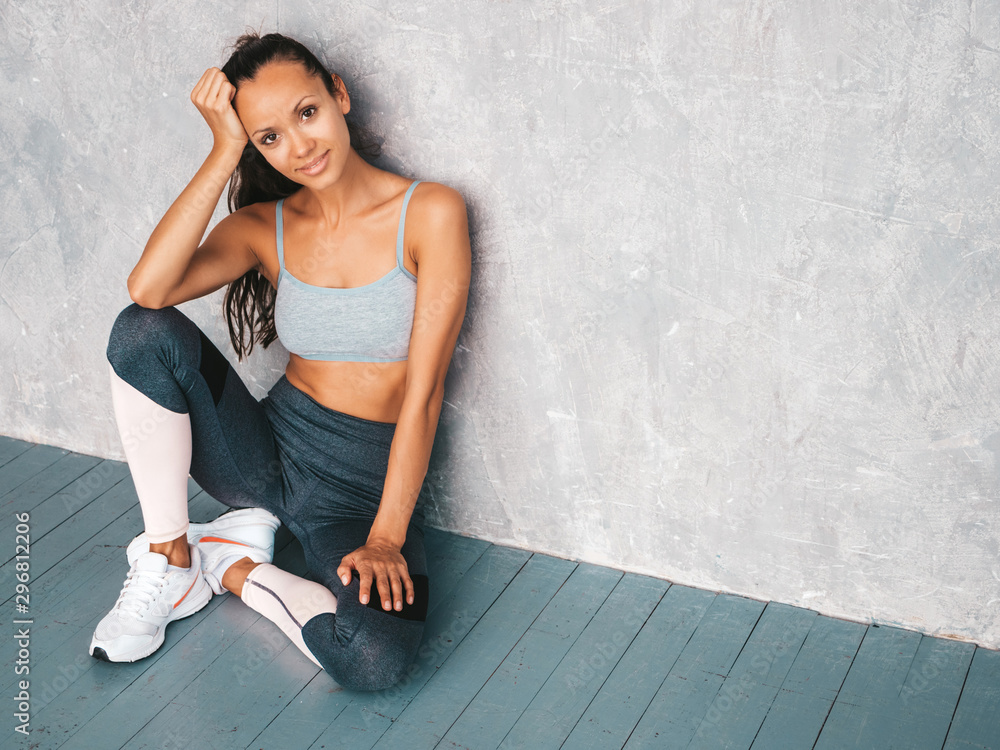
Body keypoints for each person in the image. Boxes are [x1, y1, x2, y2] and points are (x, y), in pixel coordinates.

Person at [91, 31, 471, 692]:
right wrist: (222, 151)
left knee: (373, 659)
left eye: (306, 113)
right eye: (269, 137)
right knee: (139, 332)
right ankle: (171, 554)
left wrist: (385, 537)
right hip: (264, 455)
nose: (299, 147)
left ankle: (231, 566)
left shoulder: (429, 213)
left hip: (361, 495)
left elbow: (427, 394)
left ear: (338, 95)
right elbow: (149, 292)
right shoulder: (264, 226)